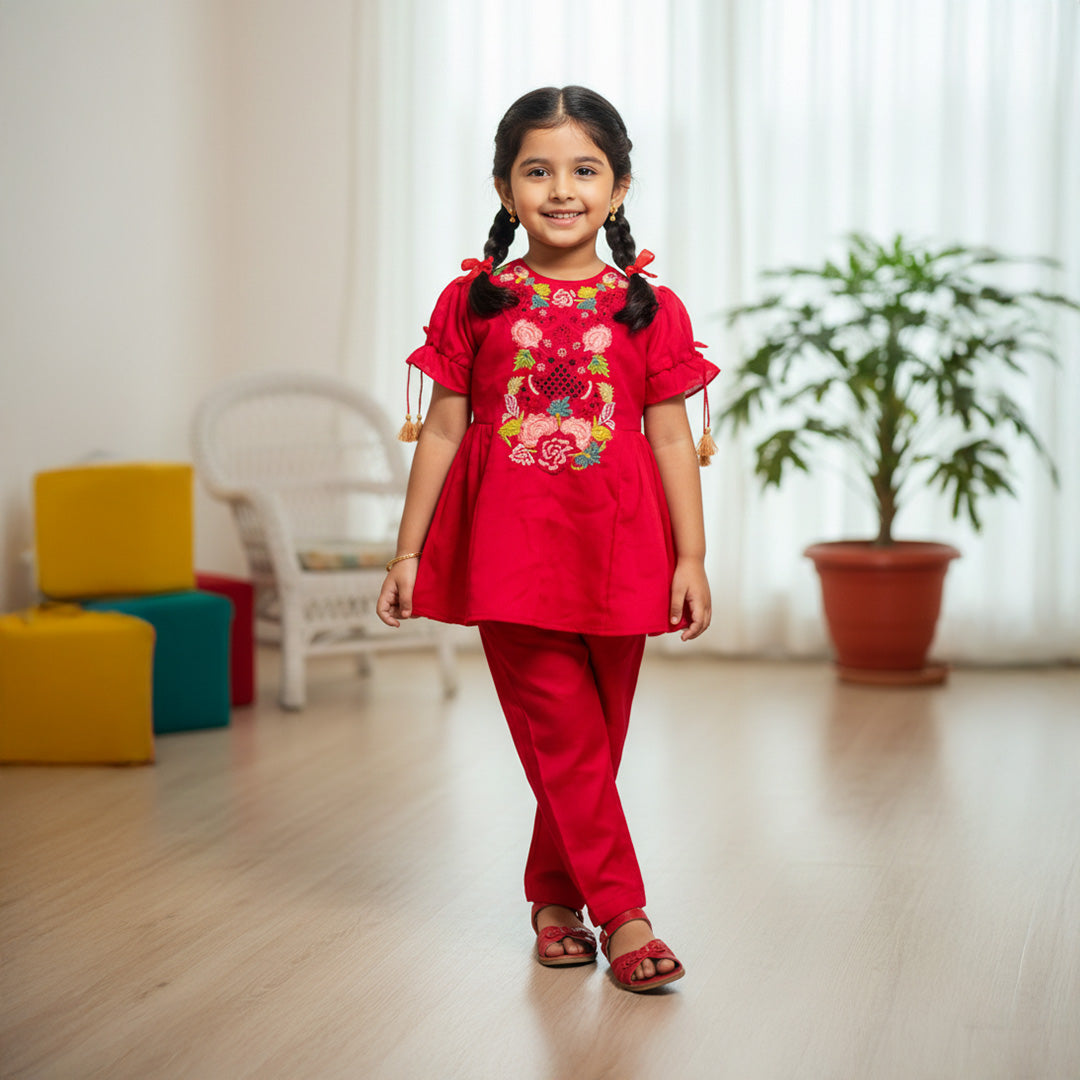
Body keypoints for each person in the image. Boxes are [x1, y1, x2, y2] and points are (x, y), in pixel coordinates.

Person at [376, 85, 718, 992]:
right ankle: (626, 916)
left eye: (583, 169)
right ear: (503, 187)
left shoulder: (651, 308)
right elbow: (443, 430)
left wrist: (692, 556)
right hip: (506, 552)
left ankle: (552, 899)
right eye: (537, 169)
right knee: (566, 737)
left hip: (622, 551)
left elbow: (674, 438)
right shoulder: (475, 301)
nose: (560, 188)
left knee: (592, 744)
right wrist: (407, 552)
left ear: (618, 187)